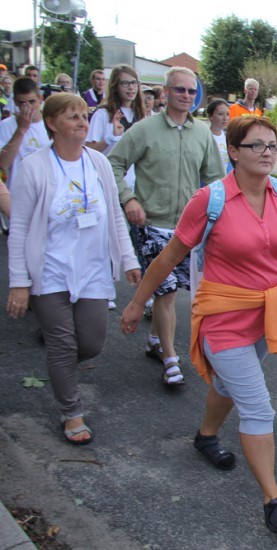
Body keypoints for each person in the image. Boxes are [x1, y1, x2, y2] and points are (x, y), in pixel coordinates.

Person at [121, 115, 277, 533]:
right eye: (256, 145)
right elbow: (168, 257)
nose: (267, 153)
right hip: (222, 318)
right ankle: (274, 502)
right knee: (257, 407)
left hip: (266, 315)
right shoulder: (210, 200)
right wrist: (136, 303)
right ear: (234, 152)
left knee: (226, 385)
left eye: (272, 145)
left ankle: (205, 436)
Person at [6, 93, 141, 445]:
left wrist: (128, 259)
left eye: (84, 116)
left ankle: (59, 366)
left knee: (92, 343)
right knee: (63, 345)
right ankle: (71, 412)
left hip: (92, 270)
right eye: (73, 117)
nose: (82, 122)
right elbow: (19, 228)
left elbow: (115, 215)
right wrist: (19, 282)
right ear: (52, 123)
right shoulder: (34, 168)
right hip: (49, 270)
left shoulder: (98, 163)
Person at [108, 66, 225, 387]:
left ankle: (155, 341)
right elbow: (113, 163)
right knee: (166, 291)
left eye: (191, 91)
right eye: (180, 89)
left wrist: (218, 218)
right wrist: (129, 199)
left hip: (188, 229)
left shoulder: (202, 134)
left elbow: (216, 180)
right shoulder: (144, 129)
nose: (186, 96)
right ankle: (171, 359)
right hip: (151, 225)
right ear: (166, 92)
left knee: (176, 292)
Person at [86, 64, 146, 191]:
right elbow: (89, 150)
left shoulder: (141, 115)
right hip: (108, 183)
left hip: (135, 186)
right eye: (125, 83)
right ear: (115, 86)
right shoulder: (103, 114)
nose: (131, 87)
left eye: (134, 83)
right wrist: (110, 139)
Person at [0, 77, 49, 188]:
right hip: (16, 191)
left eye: (32, 102)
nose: (28, 107)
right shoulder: (6, 125)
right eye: (22, 103)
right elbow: (3, 164)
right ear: (15, 102)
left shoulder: (50, 124)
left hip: (43, 190)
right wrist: (21, 129)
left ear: (40, 99)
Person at [206, 98, 231, 169]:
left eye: (227, 114)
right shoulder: (205, 137)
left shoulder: (229, 138)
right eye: (220, 114)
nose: (225, 118)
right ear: (210, 116)